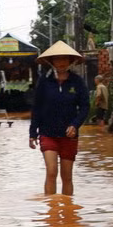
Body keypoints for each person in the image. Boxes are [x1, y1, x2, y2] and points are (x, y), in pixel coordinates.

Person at [28, 41, 92, 196]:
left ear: (70, 61)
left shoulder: (77, 82)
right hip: (47, 132)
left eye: (64, 59)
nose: (61, 63)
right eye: (58, 59)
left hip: (69, 135)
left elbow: (84, 107)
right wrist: (32, 133)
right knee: (51, 171)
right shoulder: (44, 82)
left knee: (67, 176)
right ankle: (52, 211)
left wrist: (75, 125)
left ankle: (67, 211)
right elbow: (37, 107)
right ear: (52, 62)